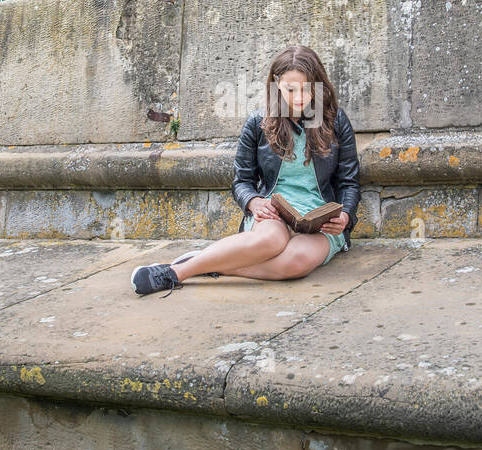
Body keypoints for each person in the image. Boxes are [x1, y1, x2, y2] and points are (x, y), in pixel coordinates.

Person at [131, 45, 360, 297]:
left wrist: (345, 216)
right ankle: (176, 272)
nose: (299, 98)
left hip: (320, 220)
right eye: (290, 89)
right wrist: (254, 202)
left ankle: (214, 263)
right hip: (275, 211)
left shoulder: (334, 121)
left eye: (306, 89)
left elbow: (349, 182)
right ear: (276, 85)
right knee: (271, 241)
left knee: (297, 262)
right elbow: (242, 181)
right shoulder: (258, 123)